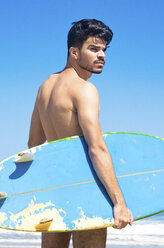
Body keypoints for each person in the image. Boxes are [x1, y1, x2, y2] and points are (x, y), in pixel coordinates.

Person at [27, 19, 133, 248]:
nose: (102, 55)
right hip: (85, 188)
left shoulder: (45, 86)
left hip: (54, 188)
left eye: (104, 49)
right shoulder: (85, 89)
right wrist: (119, 202)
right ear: (74, 52)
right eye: (93, 49)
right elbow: (96, 148)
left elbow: (34, 143)